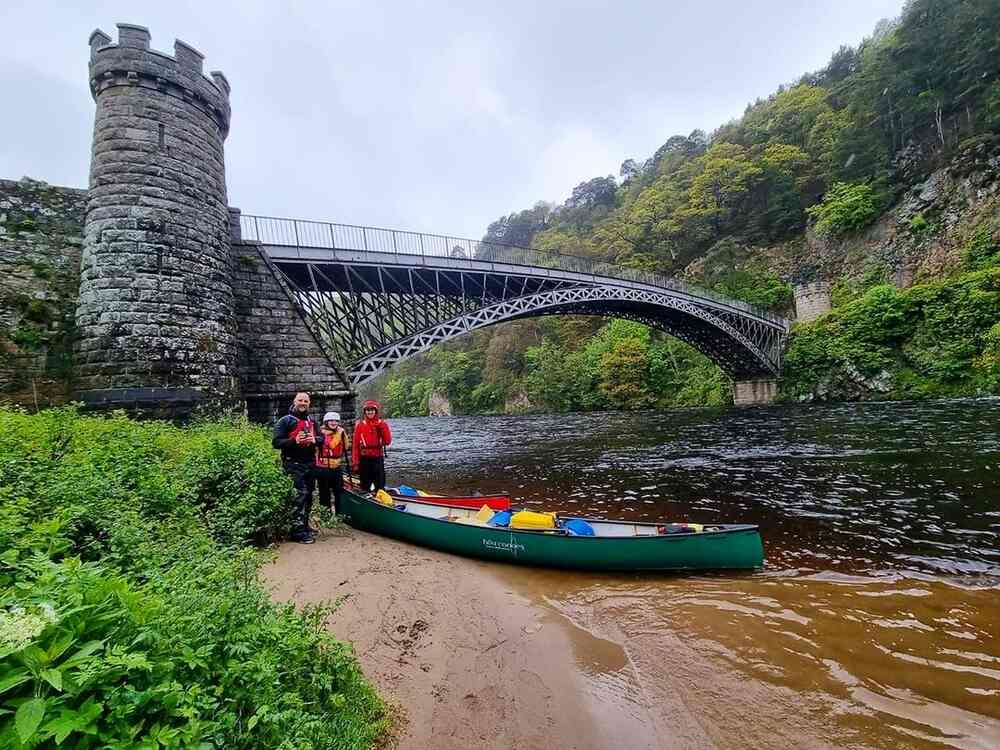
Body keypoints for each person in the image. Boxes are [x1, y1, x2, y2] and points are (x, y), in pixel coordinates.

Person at [272, 392, 326, 544]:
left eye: (306, 401)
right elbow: (276, 442)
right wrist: (293, 440)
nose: (303, 403)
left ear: (309, 403)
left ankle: (304, 526)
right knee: (299, 497)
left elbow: (323, 439)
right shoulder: (285, 421)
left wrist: (315, 439)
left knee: (309, 495)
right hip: (293, 464)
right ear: (295, 402)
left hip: (310, 463)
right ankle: (297, 532)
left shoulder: (312, 422)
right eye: (300, 400)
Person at [352, 399, 392, 493]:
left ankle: (380, 496)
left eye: (372, 410)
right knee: (365, 485)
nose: (370, 412)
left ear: (375, 411)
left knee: (380, 485)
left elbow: (387, 441)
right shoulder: (360, 425)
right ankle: (366, 497)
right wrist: (355, 463)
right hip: (364, 458)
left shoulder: (382, 424)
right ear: (365, 412)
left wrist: (381, 426)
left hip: (377, 457)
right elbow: (355, 445)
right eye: (368, 410)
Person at [315, 411, 350, 514]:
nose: (333, 423)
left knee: (339, 491)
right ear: (326, 422)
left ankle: (340, 514)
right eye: (331, 421)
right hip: (323, 467)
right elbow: (331, 445)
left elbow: (346, 447)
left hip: (336, 466)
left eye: (336, 421)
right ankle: (326, 514)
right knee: (324, 493)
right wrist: (339, 433)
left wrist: (343, 435)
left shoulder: (340, 432)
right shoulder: (321, 433)